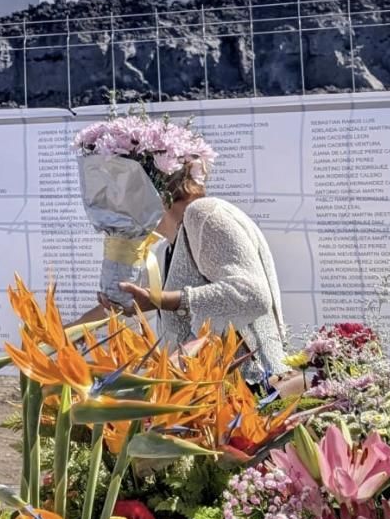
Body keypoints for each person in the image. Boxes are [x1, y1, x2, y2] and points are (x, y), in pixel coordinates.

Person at [116, 162, 290, 387]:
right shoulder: (165, 247)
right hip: (211, 397)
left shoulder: (203, 214)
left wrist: (165, 300)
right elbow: (137, 296)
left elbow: (253, 295)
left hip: (250, 394)